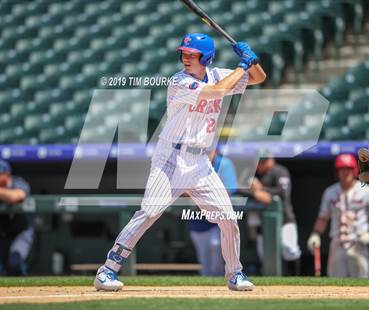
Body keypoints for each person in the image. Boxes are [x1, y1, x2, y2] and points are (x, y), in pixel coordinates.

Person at [94, 33, 266, 291]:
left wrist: (252, 61)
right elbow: (216, 91)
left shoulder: (219, 74)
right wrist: (242, 64)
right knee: (150, 212)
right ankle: (107, 270)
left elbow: (259, 78)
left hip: (200, 164)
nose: (185, 58)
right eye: (184, 54)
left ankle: (235, 274)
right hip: (171, 158)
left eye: (192, 55)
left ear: (205, 57)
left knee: (228, 218)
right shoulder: (179, 81)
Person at [307, 154, 369, 277]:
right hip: (337, 243)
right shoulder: (330, 192)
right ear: (337, 172)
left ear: (354, 170)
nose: (345, 173)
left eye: (348, 169)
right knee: (335, 282)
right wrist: (315, 234)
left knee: (362, 282)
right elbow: (323, 217)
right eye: (342, 169)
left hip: (358, 242)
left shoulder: (368, 191)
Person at [242, 156, 301, 275]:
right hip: (261, 222)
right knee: (265, 255)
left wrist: (262, 189)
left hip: (285, 219)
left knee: (290, 249)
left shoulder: (280, 171)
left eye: (262, 162)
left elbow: (283, 192)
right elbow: (240, 189)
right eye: (258, 162)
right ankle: (272, 286)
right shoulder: (252, 173)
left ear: (270, 160)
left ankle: (295, 280)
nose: (259, 165)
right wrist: (255, 192)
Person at [188, 149, 237, 276]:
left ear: (215, 151)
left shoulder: (224, 164)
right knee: (204, 259)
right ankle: (207, 290)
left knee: (216, 250)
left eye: (209, 151)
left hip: (218, 216)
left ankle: (224, 281)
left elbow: (230, 189)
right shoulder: (193, 164)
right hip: (198, 217)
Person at [0, 159, 33, 276]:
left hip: (21, 232)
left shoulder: (18, 182)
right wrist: (1, 195)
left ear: (6, 175)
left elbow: (16, 196)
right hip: (2, 233)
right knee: (6, 267)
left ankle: (25, 287)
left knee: (15, 260)